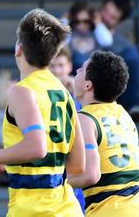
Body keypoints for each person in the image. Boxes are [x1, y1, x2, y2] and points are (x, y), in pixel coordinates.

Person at [0, 9, 85, 216]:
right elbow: (78, 165)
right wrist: (10, 162)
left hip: (33, 209)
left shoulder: (21, 91)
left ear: (18, 48)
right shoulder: (64, 94)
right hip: (67, 209)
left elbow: (37, 147)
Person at [68, 51, 139, 216]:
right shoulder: (124, 114)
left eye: (80, 69)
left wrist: (60, 183)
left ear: (88, 85)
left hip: (111, 209)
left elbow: (90, 176)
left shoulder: (85, 118)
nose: (76, 72)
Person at [49, 45, 86, 212]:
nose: (57, 71)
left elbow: (86, 125)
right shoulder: (39, 94)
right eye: (52, 66)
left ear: (70, 66)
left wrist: (77, 95)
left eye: (61, 65)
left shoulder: (82, 95)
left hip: (77, 168)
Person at [100, 0, 139, 121]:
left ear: (119, 21)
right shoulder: (87, 21)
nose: (106, 17)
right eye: (106, 11)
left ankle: (133, 107)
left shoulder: (120, 41)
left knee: (132, 55)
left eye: (112, 17)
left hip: (110, 76)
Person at [65, 1, 113, 72]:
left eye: (85, 21)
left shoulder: (96, 32)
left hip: (94, 69)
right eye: (77, 22)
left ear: (91, 19)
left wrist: (98, 23)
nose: (81, 25)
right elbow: (62, 41)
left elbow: (107, 42)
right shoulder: (71, 32)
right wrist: (66, 20)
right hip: (75, 71)